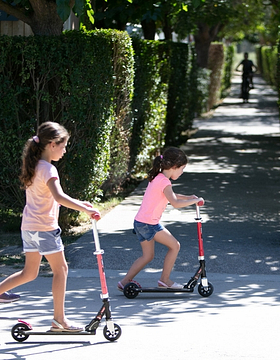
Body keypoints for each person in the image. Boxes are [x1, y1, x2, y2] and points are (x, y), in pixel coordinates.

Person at [0, 121, 100, 332]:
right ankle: (59, 320)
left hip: (29, 227)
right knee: (61, 269)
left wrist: (82, 204)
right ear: (52, 144)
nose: (64, 151)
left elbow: (55, 196)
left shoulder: (34, 165)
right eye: (63, 146)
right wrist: (86, 210)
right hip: (44, 228)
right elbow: (59, 197)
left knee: (29, 273)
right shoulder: (49, 169)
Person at [118, 147, 204, 290]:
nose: (182, 172)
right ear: (174, 167)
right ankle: (165, 280)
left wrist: (189, 198)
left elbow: (171, 196)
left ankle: (124, 282)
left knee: (147, 256)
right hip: (149, 224)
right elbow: (175, 203)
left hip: (141, 222)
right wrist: (195, 201)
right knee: (175, 246)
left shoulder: (158, 178)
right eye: (181, 169)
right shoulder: (164, 182)